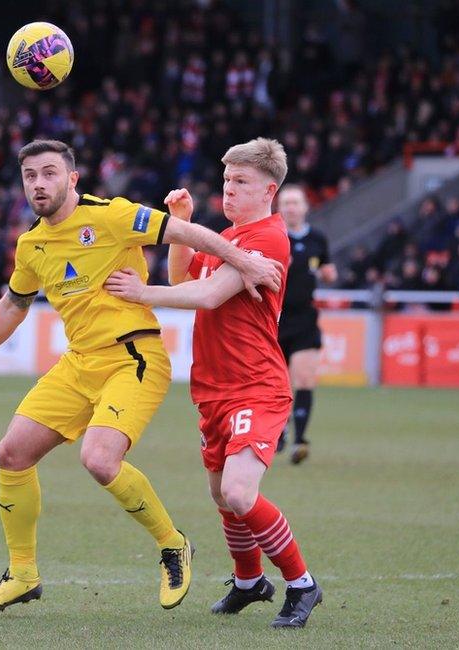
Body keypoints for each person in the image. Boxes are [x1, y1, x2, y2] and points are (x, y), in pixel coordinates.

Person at [0, 139, 283, 615]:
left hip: (133, 358)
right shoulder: (31, 244)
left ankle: (172, 545)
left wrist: (243, 260)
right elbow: (14, 304)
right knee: (11, 454)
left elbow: (188, 234)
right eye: (30, 176)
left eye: (49, 173)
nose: (39, 184)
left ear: (72, 179)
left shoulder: (113, 215)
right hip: (79, 362)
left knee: (99, 460)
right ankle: (22, 575)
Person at [105, 138, 322, 629]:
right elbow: (185, 278)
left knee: (242, 494)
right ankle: (249, 582)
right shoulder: (230, 236)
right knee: (223, 496)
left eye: (240, 182)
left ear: (269, 190)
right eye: (226, 181)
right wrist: (181, 225)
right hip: (212, 386)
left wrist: (140, 292)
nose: (229, 190)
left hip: (255, 384)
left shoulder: (268, 236)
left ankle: (302, 584)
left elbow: (206, 296)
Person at [275, 185, 336, 464]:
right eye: (286, 202)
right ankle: (278, 433)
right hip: (273, 319)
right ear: (278, 206)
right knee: (277, 384)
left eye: (295, 202)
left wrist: (328, 273)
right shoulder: (272, 236)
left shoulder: (318, 239)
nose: (290, 207)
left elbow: (327, 268)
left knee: (305, 380)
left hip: (304, 320)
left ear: (305, 207)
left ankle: (299, 440)